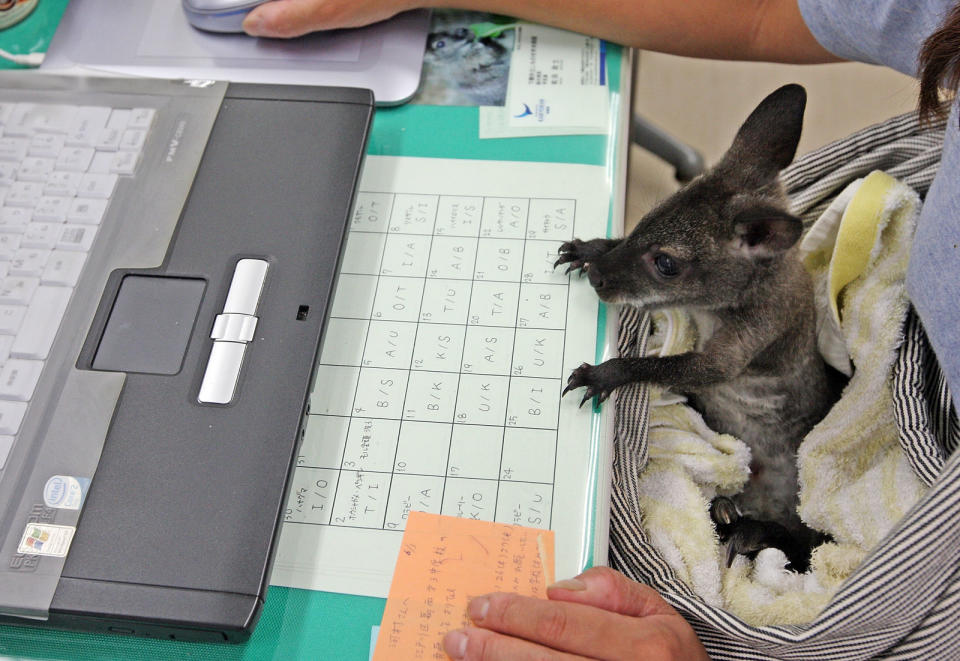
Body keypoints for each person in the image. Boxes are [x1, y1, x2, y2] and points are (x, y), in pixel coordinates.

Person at [244, 2, 960, 659]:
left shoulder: (765, 299)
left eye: (668, 266)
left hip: (783, 448)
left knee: (765, 509)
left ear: (759, 241)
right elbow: (773, 11)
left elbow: (712, 367)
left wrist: (620, 372)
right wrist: (607, 256)